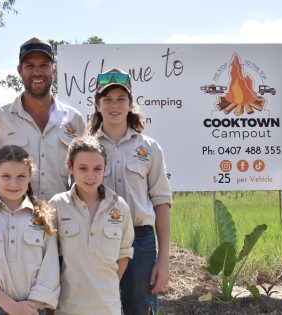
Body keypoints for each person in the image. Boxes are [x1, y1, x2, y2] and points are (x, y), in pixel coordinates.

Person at [90, 69, 173, 315]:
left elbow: (161, 201)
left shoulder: (149, 148)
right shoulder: (86, 148)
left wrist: (164, 258)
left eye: (120, 99)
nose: (114, 105)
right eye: (107, 99)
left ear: (130, 104)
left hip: (141, 241)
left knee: (139, 308)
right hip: (99, 240)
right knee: (100, 307)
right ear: (97, 104)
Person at [0, 37, 86, 202]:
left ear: (54, 69)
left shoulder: (75, 120)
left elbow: (83, 174)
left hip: (61, 221)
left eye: (44, 65)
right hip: (13, 222)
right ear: (19, 70)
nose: (37, 72)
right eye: (30, 66)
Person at [0, 145, 60, 315]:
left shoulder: (44, 217)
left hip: (33, 310)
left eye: (21, 176)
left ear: (30, 176)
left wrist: (28, 307)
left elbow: (50, 271)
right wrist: (11, 307)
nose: (13, 184)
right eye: (6, 176)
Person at [48, 136, 134, 315]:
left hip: (108, 307)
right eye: (83, 168)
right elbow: (48, 259)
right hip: (67, 308)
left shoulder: (119, 206)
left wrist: (104, 288)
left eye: (97, 169)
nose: (91, 176)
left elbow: (124, 254)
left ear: (105, 168)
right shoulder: (57, 205)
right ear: (69, 167)